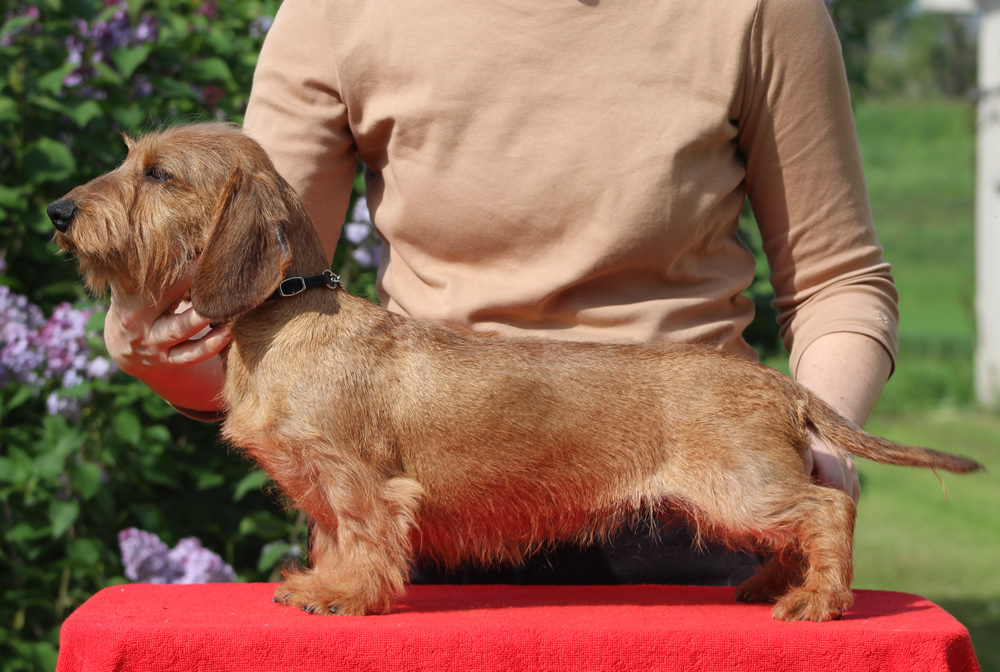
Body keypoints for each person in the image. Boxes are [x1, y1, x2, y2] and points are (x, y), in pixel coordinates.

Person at [104, 0, 897, 585]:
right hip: (429, 505)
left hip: (687, 507)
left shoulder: (759, 10)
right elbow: (255, 284)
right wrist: (147, 353)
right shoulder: (337, 11)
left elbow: (838, 279)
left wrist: (817, 446)